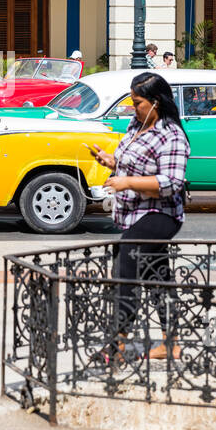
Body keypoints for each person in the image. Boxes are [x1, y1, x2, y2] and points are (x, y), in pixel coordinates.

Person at [86, 73, 190, 363]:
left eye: (137, 102)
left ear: (156, 103)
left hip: (160, 214)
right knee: (158, 277)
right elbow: (129, 158)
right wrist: (110, 160)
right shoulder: (137, 124)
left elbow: (172, 182)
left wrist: (128, 182)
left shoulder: (172, 136)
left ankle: (117, 343)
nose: (133, 108)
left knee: (126, 264)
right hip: (134, 213)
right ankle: (173, 343)